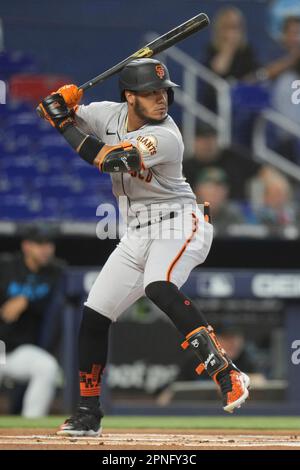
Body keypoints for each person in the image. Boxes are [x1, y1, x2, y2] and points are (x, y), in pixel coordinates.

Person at [38, 58, 250, 437]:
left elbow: (109, 160)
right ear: (129, 97)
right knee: (94, 315)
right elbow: (60, 113)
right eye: (151, 93)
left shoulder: (166, 134)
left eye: (165, 92)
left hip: (181, 221)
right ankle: (88, 412)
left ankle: (226, 372)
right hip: (136, 232)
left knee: (158, 285)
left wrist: (63, 122)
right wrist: (57, 103)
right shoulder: (105, 113)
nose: (162, 99)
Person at [0, 225, 64, 417]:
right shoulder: (6, 267)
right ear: (26, 246)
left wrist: (25, 300)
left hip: (20, 350)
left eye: (49, 244)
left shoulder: (56, 272)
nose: (46, 249)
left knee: (47, 367)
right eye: (40, 244)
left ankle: (30, 424)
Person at [183, 123, 259, 201]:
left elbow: (262, 170)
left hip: (234, 207)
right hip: (200, 207)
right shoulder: (186, 167)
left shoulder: (232, 157)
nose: (207, 144)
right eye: (202, 140)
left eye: (210, 139)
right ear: (195, 142)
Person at [202, 6, 258, 111]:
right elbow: (219, 70)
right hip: (217, 103)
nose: (232, 32)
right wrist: (229, 47)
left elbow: (255, 75)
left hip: (243, 101)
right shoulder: (211, 49)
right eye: (227, 27)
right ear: (219, 29)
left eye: (235, 27)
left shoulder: (247, 51)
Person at [193, 168, 245, 235]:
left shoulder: (233, 214)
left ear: (226, 191)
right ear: (198, 189)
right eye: (209, 186)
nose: (214, 191)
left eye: (219, 187)